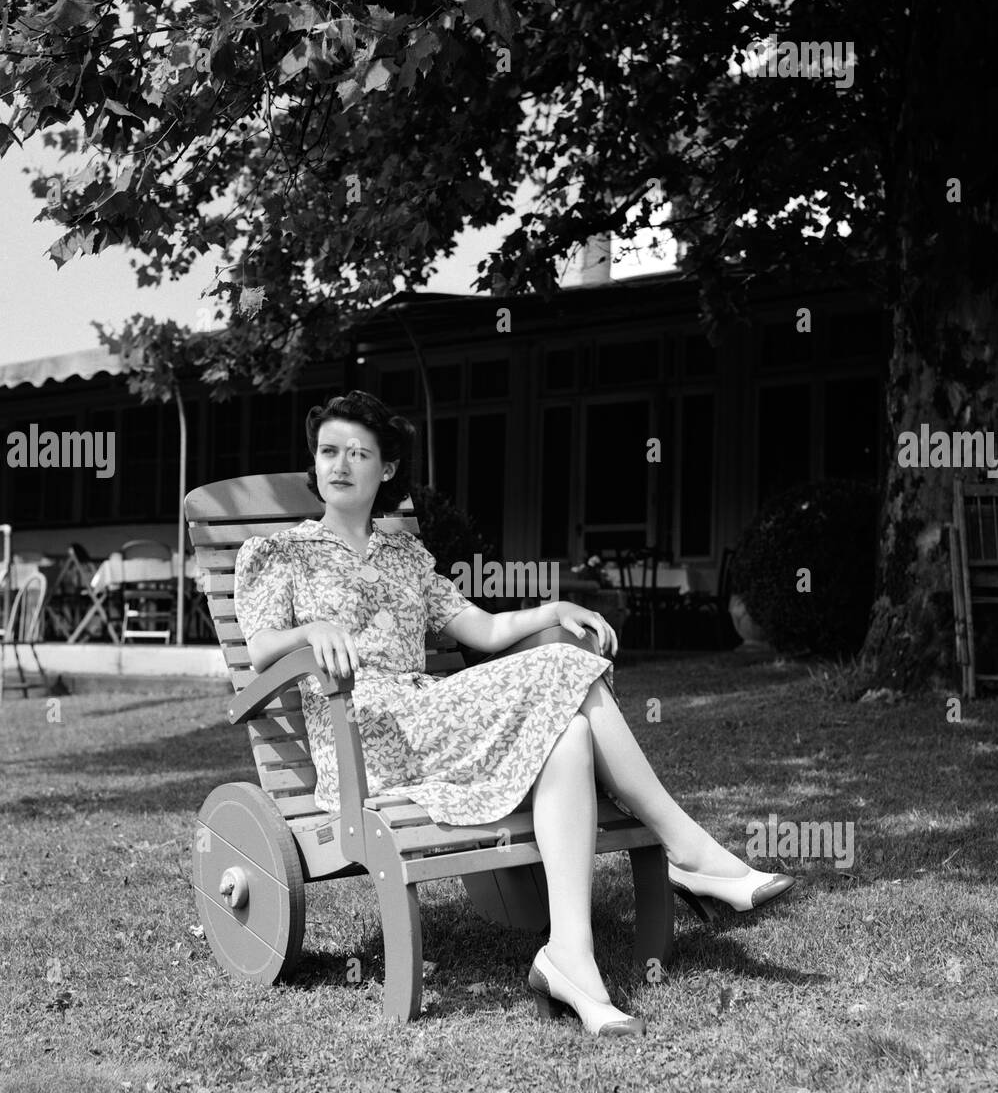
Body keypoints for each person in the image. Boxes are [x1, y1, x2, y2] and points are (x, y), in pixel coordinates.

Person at [234, 392, 795, 1038]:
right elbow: (259, 649)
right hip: (361, 734)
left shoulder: (403, 556)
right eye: (329, 451)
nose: (340, 465)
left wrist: (552, 610)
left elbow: (486, 627)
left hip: (428, 717)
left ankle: (570, 958)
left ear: (386, 469)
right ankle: (687, 849)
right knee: (562, 672)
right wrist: (314, 628)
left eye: (358, 453)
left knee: (573, 733)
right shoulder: (281, 552)